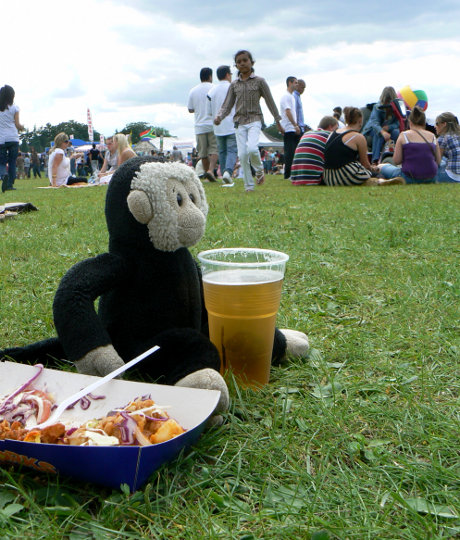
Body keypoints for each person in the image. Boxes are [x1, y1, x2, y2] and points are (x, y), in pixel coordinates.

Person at [214, 50, 283, 192]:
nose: (242, 63)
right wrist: (219, 117)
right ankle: (249, 185)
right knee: (243, 154)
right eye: (239, 62)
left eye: (245, 60)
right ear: (236, 66)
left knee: (252, 148)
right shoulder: (234, 85)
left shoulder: (259, 82)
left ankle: (259, 170)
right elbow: (227, 105)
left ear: (251, 62)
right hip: (239, 122)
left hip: (255, 119)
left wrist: (277, 120)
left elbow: (270, 102)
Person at [379, 106, 440, 184]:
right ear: (424, 122)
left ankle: (382, 179)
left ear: (410, 122)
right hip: (431, 178)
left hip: (408, 177)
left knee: (382, 166)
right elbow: (438, 161)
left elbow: (396, 161)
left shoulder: (404, 135)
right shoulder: (432, 136)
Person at [324, 107, 379, 186]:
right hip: (346, 175)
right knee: (376, 174)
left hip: (329, 178)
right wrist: (373, 168)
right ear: (360, 121)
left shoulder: (333, 133)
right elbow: (365, 164)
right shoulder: (358, 137)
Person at [207, 65, 237, 186]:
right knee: (232, 150)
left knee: (223, 151)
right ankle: (228, 172)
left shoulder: (212, 91)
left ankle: (224, 174)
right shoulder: (232, 87)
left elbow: (209, 111)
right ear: (227, 75)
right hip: (231, 124)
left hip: (217, 125)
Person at [188, 67, 218, 182]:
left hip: (199, 125)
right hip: (213, 123)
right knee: (214, 149)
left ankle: (207, 173)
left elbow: (190, 109)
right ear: (210, 76)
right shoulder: (214, 88)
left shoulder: (193, 90)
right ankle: (211, 170)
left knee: (203, 153)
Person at [291, 115, 339, 185]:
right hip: (314, 178)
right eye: (336, 128)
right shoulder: (330, 136)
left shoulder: (306, 134)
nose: (337, 131)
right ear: (330, 127)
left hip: (296, 178)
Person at [362, 86, 400, 163]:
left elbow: (397, 122)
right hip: (373, 129)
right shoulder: (377, 107)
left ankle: (398, 156)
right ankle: (375, 160)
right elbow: (374, 122)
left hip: (389, 129)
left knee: (397, 133)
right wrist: (383, 132)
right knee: (378, 134)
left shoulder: (396, 107)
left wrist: (389, 127)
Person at [0, 85, 24, 192]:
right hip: (13, 138)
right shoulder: (15, 108)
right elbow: (18, 125)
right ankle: (10, 184)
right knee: (12, 161)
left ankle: (3, 174)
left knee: (2, 162)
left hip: (1, 139)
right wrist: (22, 127)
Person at [280, 76, 301, 180]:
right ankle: (288, 174)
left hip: (292, 127)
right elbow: (287, 112)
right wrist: (295, 125)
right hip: (288, 128)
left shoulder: (292, 96)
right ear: (290, 83)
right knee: (289, 152)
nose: (297, 84)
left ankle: (293, 173)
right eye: (295, 82)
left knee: (294, 151)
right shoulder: (286, 96)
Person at [435, 112, 460, 183]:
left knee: (439, 160)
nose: (435, 126)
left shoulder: (442, 138)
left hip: (453, 176)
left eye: (437, 124)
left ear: (444, 124)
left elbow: (437, 161)